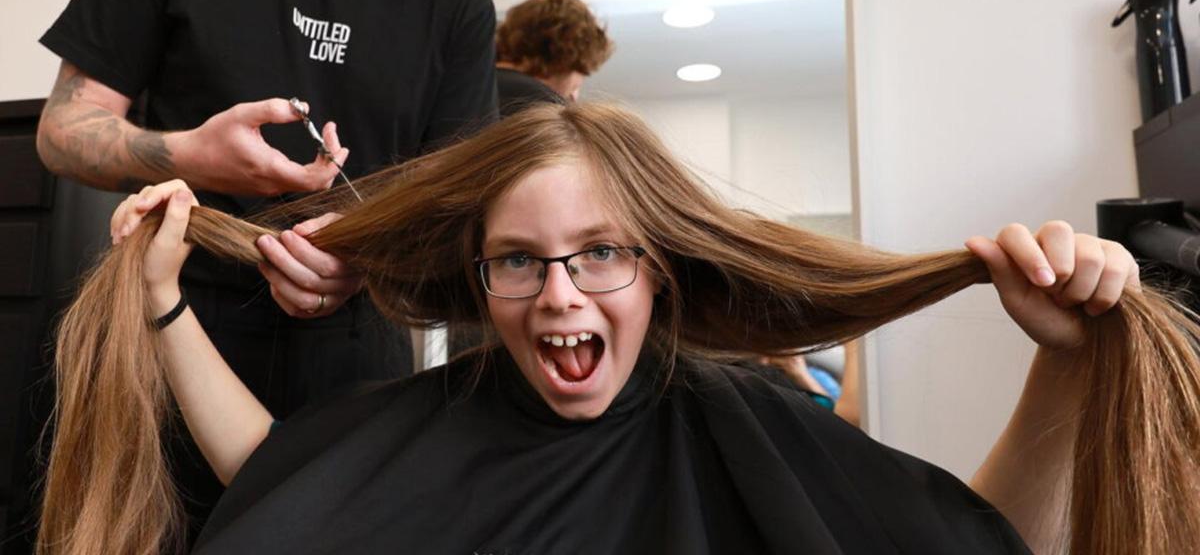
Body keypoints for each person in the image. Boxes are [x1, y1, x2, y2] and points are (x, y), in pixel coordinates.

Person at [39, 103, 1200, 555]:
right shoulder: (435, 419)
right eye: (520, 260)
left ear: (657, 269)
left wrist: (1062, 363)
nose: (561, 295)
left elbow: (973, 543)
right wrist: (163, 306)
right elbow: (282, 479)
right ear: (480, 273)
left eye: (601, 253)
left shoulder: (747, 426)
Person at [33, 0, 497, 535]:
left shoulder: (457, 8)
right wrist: (190, 154)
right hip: (165, 343)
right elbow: (62, 132)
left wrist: (363, 262)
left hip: (356, 376)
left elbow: (459, 225)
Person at [495, 0, 612, 114]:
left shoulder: (479, 81)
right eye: (583, 74)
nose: (574, 96)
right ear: (569, 60)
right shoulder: (541, 111)